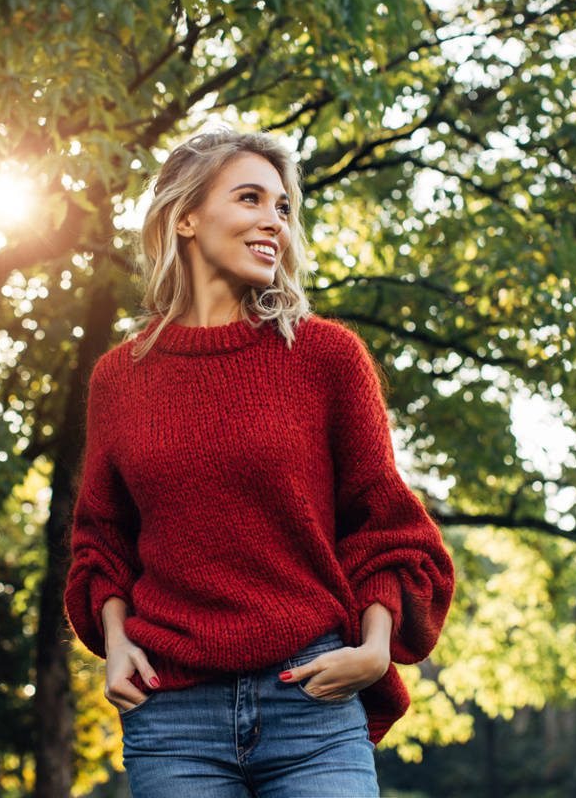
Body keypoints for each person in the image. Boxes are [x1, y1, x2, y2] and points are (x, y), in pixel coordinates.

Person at [63, 128, 456, 797]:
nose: (273, 221)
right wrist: (114, 638)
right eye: (250, 199)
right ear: (185, 217)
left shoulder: (327, 357)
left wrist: (373, 646)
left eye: (282, 208)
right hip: (173, 714)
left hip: (312, 699)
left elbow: (383, 521)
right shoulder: (118, 378)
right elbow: (102, 537)